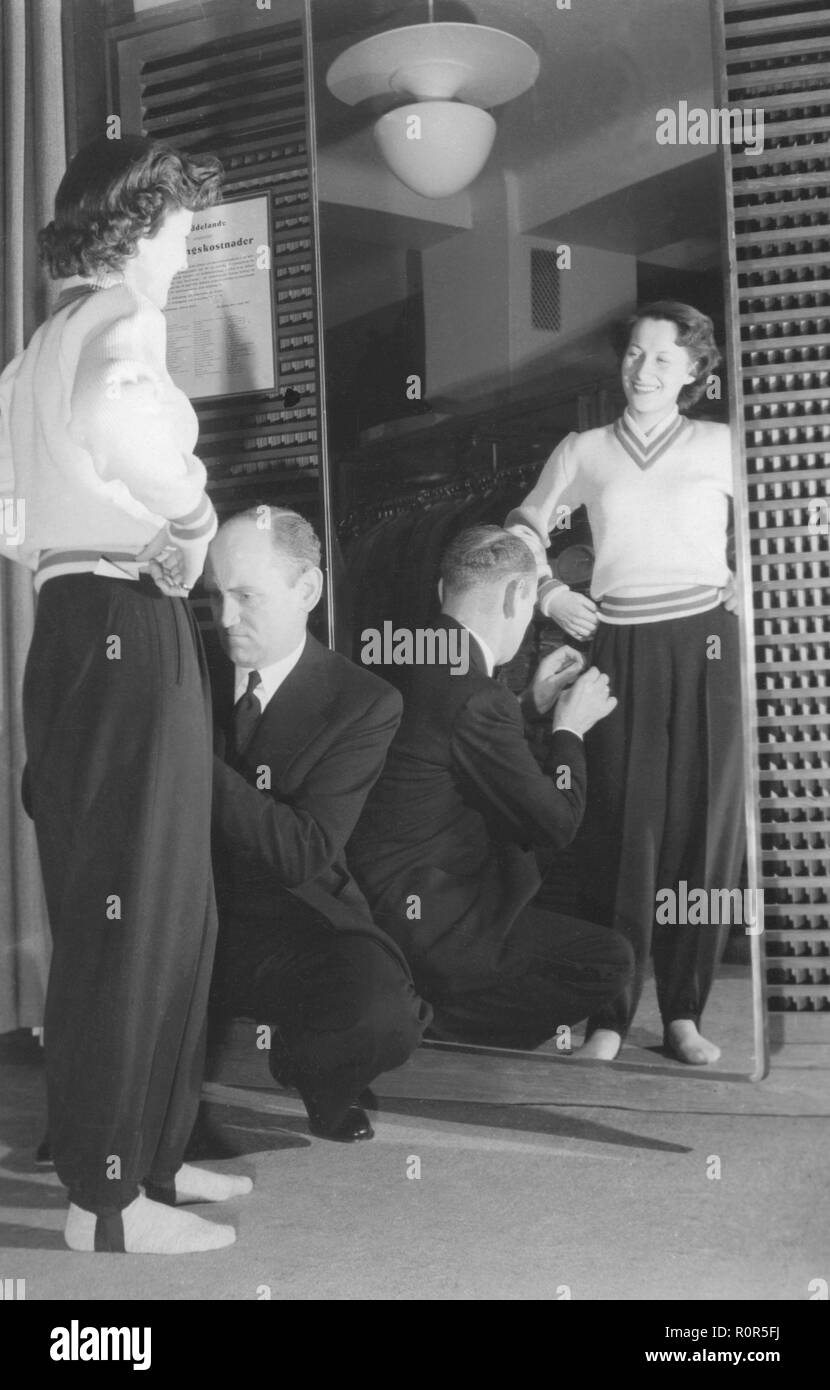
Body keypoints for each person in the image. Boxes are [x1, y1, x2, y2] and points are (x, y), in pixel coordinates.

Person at [0, 135, 252, 1254]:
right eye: (182, 227)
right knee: (134, 909)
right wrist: (184, 522)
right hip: (122, 624)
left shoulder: (38, 344)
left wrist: (69, 548)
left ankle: (147, 1151)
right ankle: (107, 1207)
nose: (188, 246)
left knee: (165, 903)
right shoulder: (121, 323)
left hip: (73, 621)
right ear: (138, 228)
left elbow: (10, 502)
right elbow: (120, 421)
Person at [506, 301, 744, 1065]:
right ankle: (611, 1012)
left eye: (663, 359)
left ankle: (684, 1013)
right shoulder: (585, 450)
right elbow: (522, 528)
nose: (643, 371)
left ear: (696, 372)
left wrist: (756, 579)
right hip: (621, 643)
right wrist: (547, 593)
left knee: (705, 829)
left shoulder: (722, 444)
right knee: (622, 829)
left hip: (706, 642)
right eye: (635, 356)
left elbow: (804, 510)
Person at [348, 526, 634, 1047]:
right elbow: (557, 823)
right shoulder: (477, 694)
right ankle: (425, 1024)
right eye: (530, 606)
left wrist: (530, 705)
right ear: (517, 594)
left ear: (442, 592)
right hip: (428, 920)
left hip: (380, 897)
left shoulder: (409, 653)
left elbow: (453, 743)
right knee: (606, 960)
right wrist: (570, 729)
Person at [205, 508, 431, 1141]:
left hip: (295, 916)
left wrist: (188, 755)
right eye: (215, 595)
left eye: (246, 596)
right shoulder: (181, 665)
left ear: (307, 590)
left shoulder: (364, 700)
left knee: (384, 1016)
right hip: (184, 912)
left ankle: (315, 1072)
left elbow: (303, 852)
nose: (224, 618)